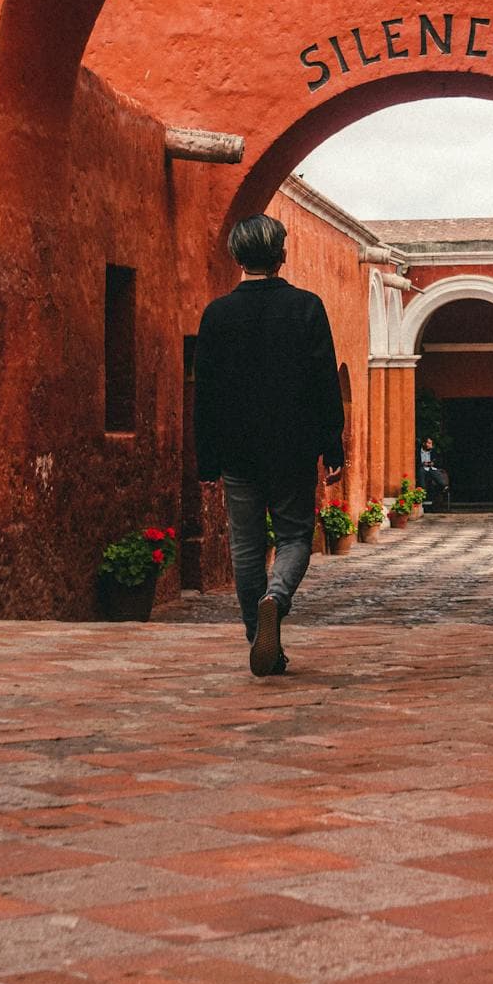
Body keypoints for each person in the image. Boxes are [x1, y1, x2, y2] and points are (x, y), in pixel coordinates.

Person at [193, 213, 345, 677]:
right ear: (281, 254)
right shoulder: (306, 307)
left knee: (245, 543)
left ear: (237, 256)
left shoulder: (217, 314)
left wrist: (206, 456)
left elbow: (207, 389)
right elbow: (324, 381)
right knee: (296, 535)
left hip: (238, 449)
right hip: (293, 448)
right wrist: (332, 446)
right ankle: (275, 601)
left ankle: (257, 638)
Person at [417, 435, 450, 507]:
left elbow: (439, 461)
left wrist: (433, 463)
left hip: (432, 468)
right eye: (429, 443)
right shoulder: (417, 451)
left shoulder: (433, 451)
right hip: (422, 468)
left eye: (431, 443)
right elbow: (415, 462)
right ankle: (424, 497)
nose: (430, 445)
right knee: (422, 482)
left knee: (442, 483)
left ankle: (442, 489)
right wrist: (422, 463)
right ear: (424, 443)